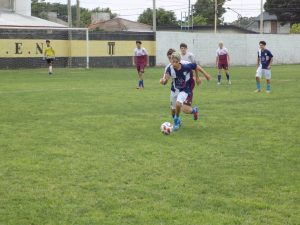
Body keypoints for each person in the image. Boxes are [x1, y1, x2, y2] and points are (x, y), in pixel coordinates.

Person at [160, 52, 211, 131]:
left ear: (179, 61)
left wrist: (203, 75)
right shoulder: (169, 68)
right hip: (174, 89)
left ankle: (176, 122)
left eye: (176, 62)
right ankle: (180, 118)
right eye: (172, 61)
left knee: (178, 104)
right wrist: (163, 81)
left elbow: (195, 66)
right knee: (173, 111)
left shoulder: (185, 66)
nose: (174, 64)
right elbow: (165, 81)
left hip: (185, 89)